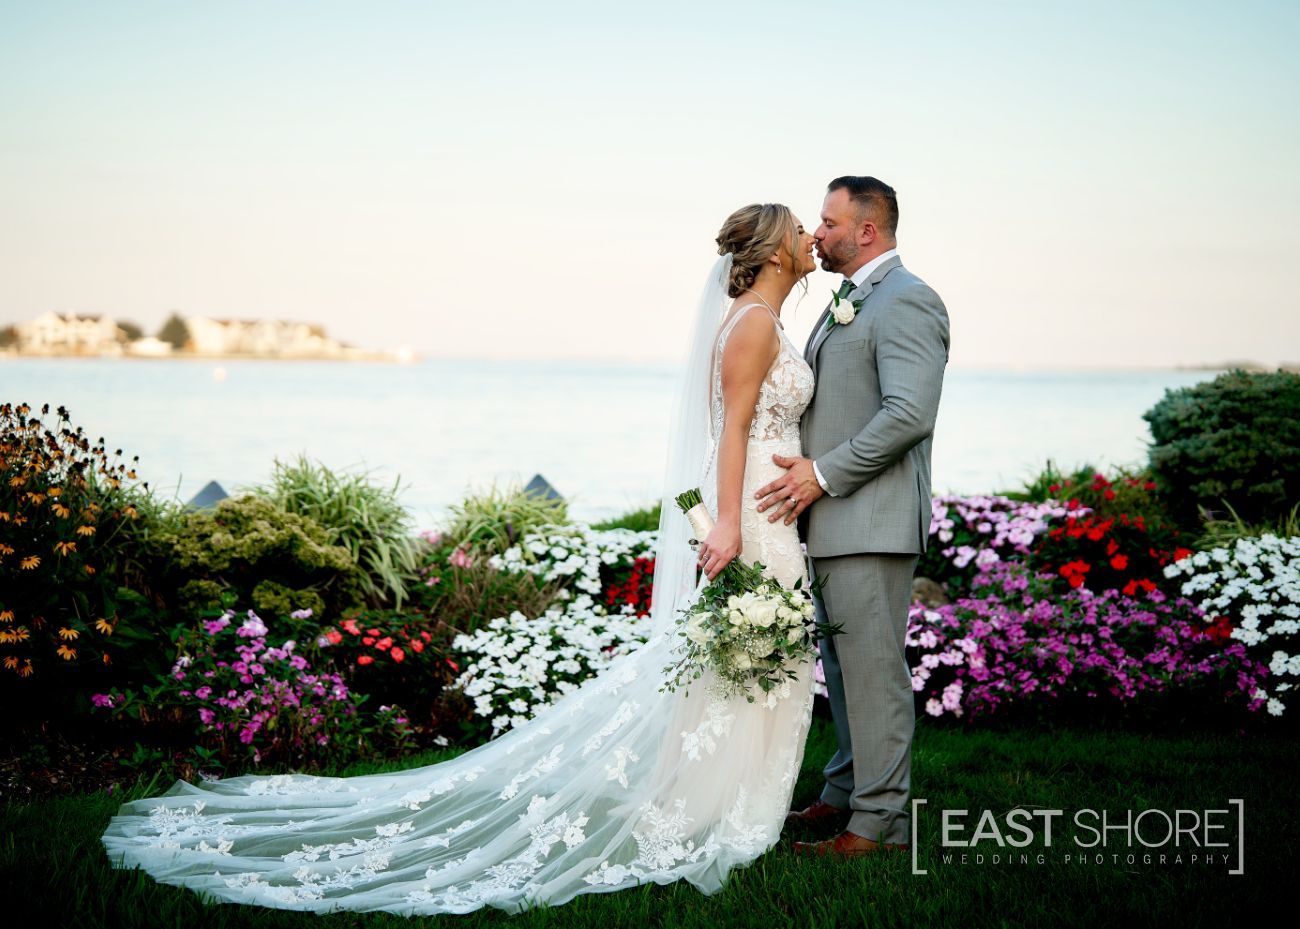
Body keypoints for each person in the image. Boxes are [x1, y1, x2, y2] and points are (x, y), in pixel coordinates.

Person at [101, 203, 822, 915]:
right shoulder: (753, 324)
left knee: (750, 663)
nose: (809, 237)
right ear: (773, 251)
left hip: (770, 504)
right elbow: (729, 430)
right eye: (799, 230)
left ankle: (726, 807)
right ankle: (726, 817)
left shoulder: (763, 320)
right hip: (756, 517)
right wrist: (727, 522)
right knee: (752, 659)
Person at [755, 176, 950, 857]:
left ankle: (879, 823)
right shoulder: (850, 300)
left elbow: (908, 413)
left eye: (830, 221)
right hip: (833, 521)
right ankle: (842, 792)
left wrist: (823, 472)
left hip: (869, 517)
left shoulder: (907, 300)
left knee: (873, 673)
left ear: (867, 230)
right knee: (841, 669)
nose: (818, 231)